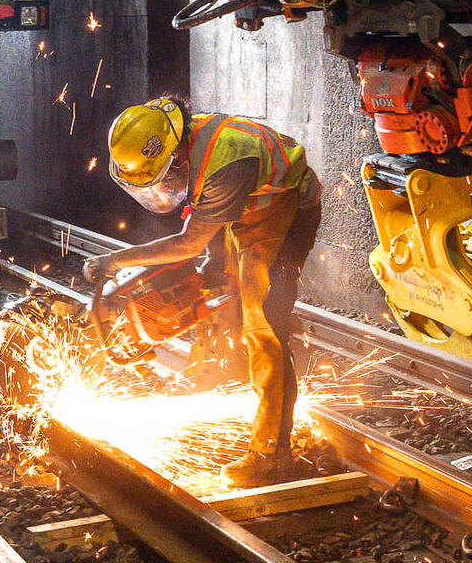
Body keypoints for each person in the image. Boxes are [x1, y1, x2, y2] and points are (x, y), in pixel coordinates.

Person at [85, 97, 322, 486]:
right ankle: (221, 378)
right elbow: (205, 227)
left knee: (263, 326)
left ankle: (272, 456)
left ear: (177, 157)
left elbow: (189, 243)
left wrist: (116, 260)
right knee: (219, 290)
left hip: (286, 209)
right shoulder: (180, 139)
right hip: (244, 208)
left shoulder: (227, 163)